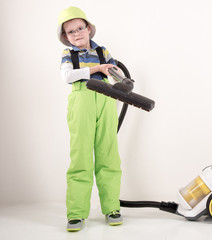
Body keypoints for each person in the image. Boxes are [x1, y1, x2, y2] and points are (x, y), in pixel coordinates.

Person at [57, 6, 122, 232]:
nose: (76, 34)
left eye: (80, 28)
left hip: (106, 101)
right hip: (81, 102)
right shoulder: (69, 55)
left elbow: (115, 73)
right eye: (71, 31)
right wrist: (97, 69)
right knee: (81, 156)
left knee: (108, 153)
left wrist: (118, 78)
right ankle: (76, 213)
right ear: (65, 37)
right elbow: (68, 76)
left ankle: (112, 207)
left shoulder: (103, 51)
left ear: (88, 29)